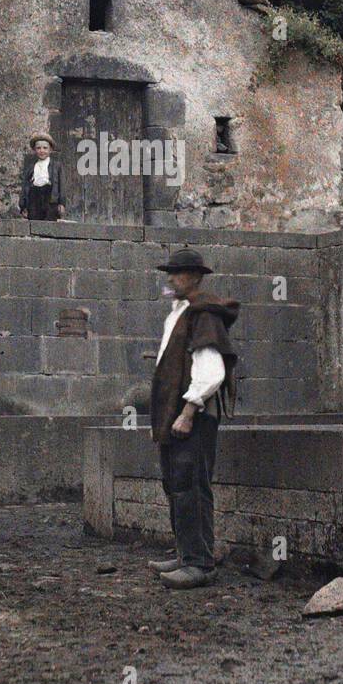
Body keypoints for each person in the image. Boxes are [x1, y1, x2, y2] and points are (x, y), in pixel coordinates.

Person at [148, 248, 240, 590]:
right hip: (175, 417)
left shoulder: (204, 315)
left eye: (179, 273)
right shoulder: (180, 312)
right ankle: (186, 554)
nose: (171, 278)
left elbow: (211, 372)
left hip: (194, 418)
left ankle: (200, 563)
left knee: (192, 487)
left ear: (197, 277)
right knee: (176, 485)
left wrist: (188, 412)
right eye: (170, 272)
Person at [18, 133, 66, 221]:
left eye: (45, 148)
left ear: (50, 149)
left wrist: (62, 203)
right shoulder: (31, 167)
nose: (42, 151)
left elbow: (61, 185)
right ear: (34, 150)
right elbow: (25, 186)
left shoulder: (56, 166)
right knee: (34, 220)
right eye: (38, 148)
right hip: (34, 196)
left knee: (49, 221)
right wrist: (23, 206)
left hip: (50, 197)